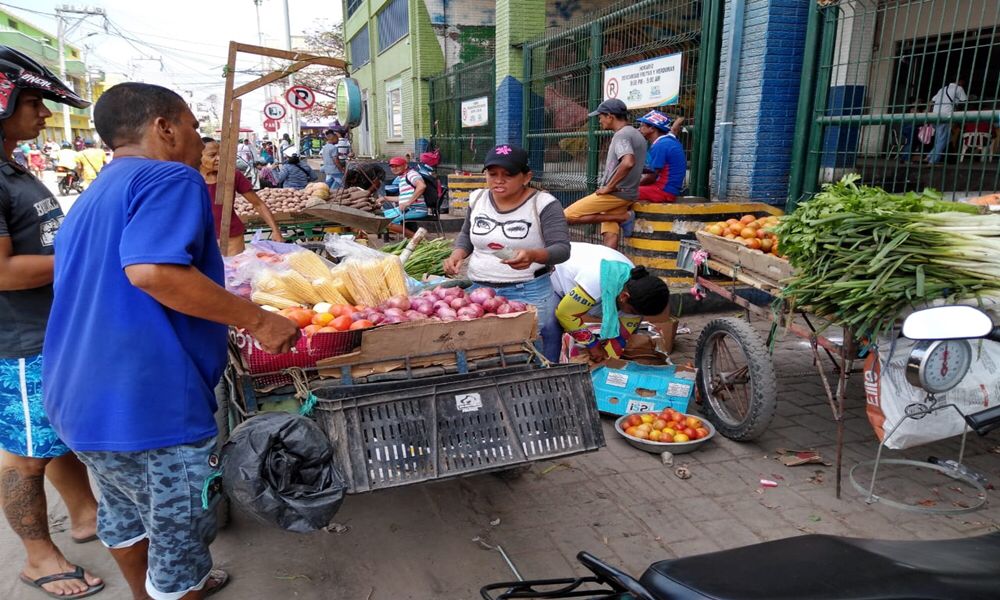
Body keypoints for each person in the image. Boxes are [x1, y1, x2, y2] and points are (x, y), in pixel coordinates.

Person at [43, 81, 300, 600]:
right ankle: (177, 590)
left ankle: (146, 595)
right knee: (180, 539)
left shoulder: (93, 195)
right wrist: (256, 319)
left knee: (125, 514)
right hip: (149, 405)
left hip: (75, 400)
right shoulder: (168, 177)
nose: (197, 139)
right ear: (164, 127)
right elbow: (153, 271)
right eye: (192, 125)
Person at [0, 45, 104, 600]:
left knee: (53, 430)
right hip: (16, 337)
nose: (44, 115)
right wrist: (89, 255)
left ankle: (85, 512)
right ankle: (38, 558)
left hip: (46, 326)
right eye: (34, 103)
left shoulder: (12, 163)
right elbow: (5, 272)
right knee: (23, 451)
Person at [443, 144, 571, 362]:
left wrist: (532, 255)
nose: (498, 180)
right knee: (483, 355)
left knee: (522, 355)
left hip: (527, 294)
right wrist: (458, 254)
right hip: (479, 294)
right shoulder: (478, 198)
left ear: (526, 176)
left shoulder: (544, 204)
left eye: (508, 175)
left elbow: (561, 249)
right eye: (492, 174)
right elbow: (467, 234)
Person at [552, 242, 670, 361]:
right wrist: (593, 344)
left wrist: (607, 360)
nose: (633, 315)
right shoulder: (596, 282)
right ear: (624, 297)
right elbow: (564, 314)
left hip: (583, 281)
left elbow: (620, 339)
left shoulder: (634, 288)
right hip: (553, 272)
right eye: (632, 311)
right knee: (551, 329)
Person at [564, 98, 647, 249]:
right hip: (626, 193)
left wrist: (609, 186)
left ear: (610, 116)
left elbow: (628, 161)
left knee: (567, 216)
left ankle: (625, 217)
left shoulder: (622, 135)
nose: (600, 120)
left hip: (615, 194)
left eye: (600, 116)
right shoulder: (635, 134)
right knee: (610, 233)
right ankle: (610, 266)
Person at [200, 137, 283, 255]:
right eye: (212, 155)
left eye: (221, 154)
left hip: (232, 237)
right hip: (201, 238)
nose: (219, 158)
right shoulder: (188, 178)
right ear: (198, 156)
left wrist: (275, 231)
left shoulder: (233, 175)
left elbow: (258, 204)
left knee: (235, 270)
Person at [636, 110, 686, 202]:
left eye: (642, 126)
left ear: (652, 128)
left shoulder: (660, 145)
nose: (639, 129)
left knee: (624, 193)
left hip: (663, 191)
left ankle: (624, 216)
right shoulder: (668, 140)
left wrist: (633, 186)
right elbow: (673, 130)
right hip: (669, 189)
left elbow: (651, 177)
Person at [382, 156, 427, 238]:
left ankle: (418, 239)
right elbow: (403, 198)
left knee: (386, 222)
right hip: (405, 209)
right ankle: (414, 237)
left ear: (405, 166)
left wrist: (408, 203)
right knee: (381, 217)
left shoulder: (411, 174)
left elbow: (422, 186)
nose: (394, 168)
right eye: (392, 166)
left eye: (397, 166)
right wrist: (385, 198)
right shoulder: (402, 177)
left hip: (416, 209)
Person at [927, 78, 967, 164]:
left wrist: (928, 115)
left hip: (934, 115)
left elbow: (932, 101)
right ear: (960, 81)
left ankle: (929, 156)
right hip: (945, 115)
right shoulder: (959, 88)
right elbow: (964, 102)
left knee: (944, 138)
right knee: (942, 139)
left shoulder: (942, 89)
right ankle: (932, 161)